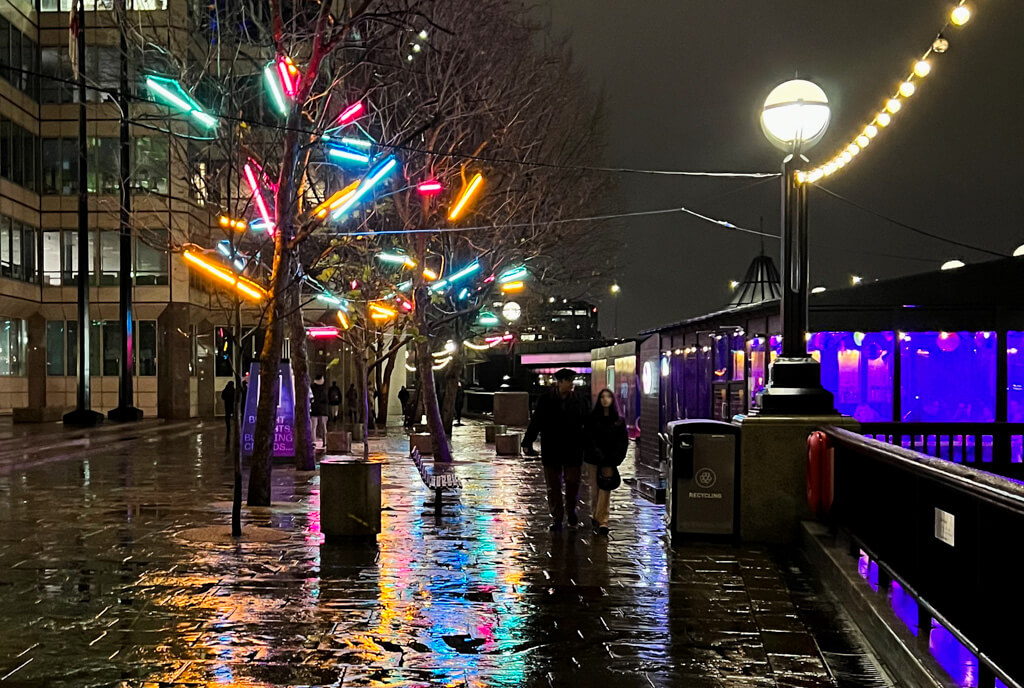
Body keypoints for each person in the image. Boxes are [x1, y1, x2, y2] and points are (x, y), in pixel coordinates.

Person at [522, 368, 589, 531]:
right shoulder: (545, 400)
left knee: (572, 482)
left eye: (572, 380)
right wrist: (527, 441)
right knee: (553, 485)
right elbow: (536, 421)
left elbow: (587, 423)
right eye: (568, 380)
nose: (571, 384)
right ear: (559, 382)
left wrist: (589, 445)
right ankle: (557, 517)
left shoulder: (580, 400)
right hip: (551, 447)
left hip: (573, 448)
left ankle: (572, 512)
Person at [584, 388, 629, 536]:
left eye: (608, 397)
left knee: (605, 488)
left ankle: (602, 520)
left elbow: (623, 441)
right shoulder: (592, 418)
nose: (605, 400)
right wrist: (597, 453)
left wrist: (616, 458)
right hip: (593, 459)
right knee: (595, 489)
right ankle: (596, 515)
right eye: (602, 397)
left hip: (609, 460)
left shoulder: (618, 420)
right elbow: (589, 438)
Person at [310, 374, 328, 448]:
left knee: (313, 427)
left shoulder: (311, 387)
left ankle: (313, 442)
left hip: (314, 410)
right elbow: (326, 399)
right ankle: (325, 441)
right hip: (323, 411)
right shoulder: (324, 388)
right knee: (323, 427)